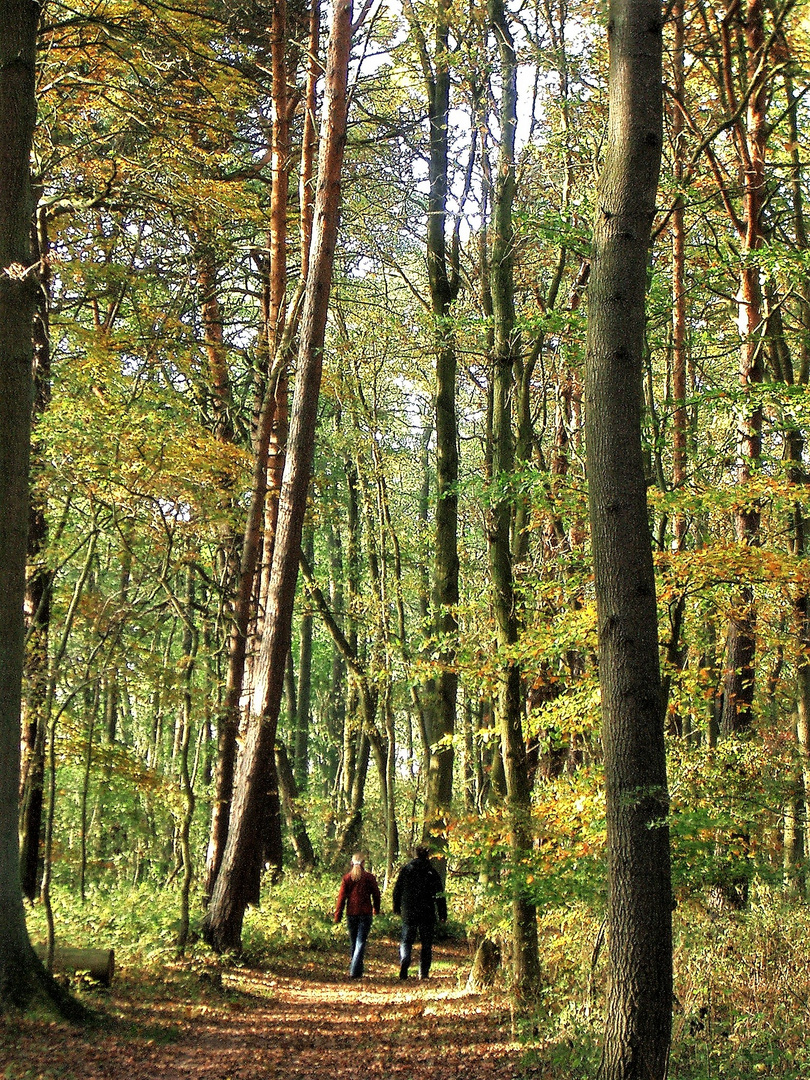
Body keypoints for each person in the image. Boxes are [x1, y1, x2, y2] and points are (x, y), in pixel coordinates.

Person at [392, 845, 447, 980]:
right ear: (428, 856)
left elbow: (397, 890)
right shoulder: (431, 872)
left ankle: (405, 961)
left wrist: (397, 907)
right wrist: (442, 913)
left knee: (406, 940)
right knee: (426, 943)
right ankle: (423, 972)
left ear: (415, 854)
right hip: (427, 911)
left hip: (409, 910)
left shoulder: (406, 870)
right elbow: (440, 894)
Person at [333, 853, 381, 979]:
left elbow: (341, 898)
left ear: (351, 863)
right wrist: (376, 908)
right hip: (365, 914)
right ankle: (355, 971)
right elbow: (376, 894)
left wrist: (338, 915)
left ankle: (356, 971)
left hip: (351, 914)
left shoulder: (347, 878)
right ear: (364, 863)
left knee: (354, 942)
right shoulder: (369, 878)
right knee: (360, 943)